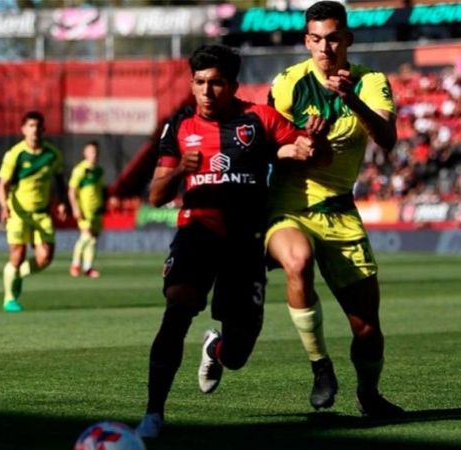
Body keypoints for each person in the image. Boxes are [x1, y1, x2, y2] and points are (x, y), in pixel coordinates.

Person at [136, 44, 324, 438]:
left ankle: (215, 349)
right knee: (178, 309)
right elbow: (156, 195)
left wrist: (303, 147)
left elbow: (292, 146)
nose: (206, 91)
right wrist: (177, 174)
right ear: (191, 84)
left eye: (216, 83)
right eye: (200, 83)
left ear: (232, 85)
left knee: (237, 354)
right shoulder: (180, 126)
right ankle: (154, 413)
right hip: (197, 233)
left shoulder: (258, 119)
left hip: (245, 242)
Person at [266, 0, 404, 418]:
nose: (324, 48)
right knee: (298, 260)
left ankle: (369, 395)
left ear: (347, 39)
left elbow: (387, 139)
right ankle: (320, 367)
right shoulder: (288, 84)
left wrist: (353, 101)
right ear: (306, 42)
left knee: (367, 328)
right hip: (289, 206)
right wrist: (294, 147)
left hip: (340, 211)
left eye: (332, 39)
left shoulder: (370, 82)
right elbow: (264, 144)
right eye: (316, 39)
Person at [0, 111, 67, 313]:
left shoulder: (53, 154)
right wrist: (3, 206)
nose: (34, 130)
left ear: (43, 129)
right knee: (17, 255)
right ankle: (9, 298)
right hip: (18, 212)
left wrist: (61, 202)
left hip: (41, 213)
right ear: (23, 129)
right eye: (30, 126)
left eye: (38, 126)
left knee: (45, 258)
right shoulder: (15, 154)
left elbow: (59, 179)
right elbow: (3, 185)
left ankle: (17, 275)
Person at [68, 141, 106, 278]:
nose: (93, 155)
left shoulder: (99, 171)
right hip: (85, 210)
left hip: (96, 210)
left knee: (93, 239)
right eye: (90, 152)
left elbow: (100, 190)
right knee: (86, 236)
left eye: (95, 152)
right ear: (85, 153)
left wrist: (103, 205)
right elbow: (72, 191)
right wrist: (75, 208)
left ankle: (88, 267)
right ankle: (75, 264)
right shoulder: (80, 170)